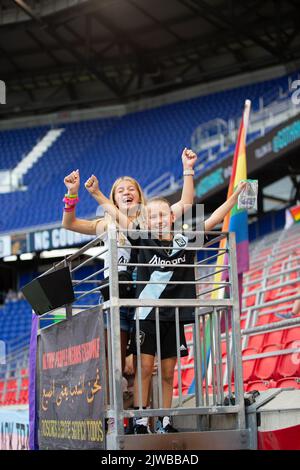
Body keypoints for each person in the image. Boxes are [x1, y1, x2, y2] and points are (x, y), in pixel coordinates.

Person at [99, 181, 247, 434]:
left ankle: (165, 420)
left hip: (174, 316)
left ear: (171, 217)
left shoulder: (184, 240)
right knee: (144, 369)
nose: (157, 220)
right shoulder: (142, 239)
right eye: (152, 216)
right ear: (145, 222)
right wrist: (98, 195)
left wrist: (234, 199)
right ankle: (140, 421)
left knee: (167, 373)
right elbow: (119, 217)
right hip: (145, 315)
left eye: (162, 215)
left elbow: (212, 220)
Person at [62, 148, 197, 372]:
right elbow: (69, 224)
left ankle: (142, 404)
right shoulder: (106, 223)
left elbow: (185, 203)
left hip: (143, 295)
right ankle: (116, 401)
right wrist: (72, 193)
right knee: (114, 355)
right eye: (120, 190)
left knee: (141, 360)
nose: (126, 192)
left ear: (139, 195)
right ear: (113, 198)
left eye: (131, 189)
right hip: (115, 292)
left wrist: (188, 169)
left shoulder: (152, 217)